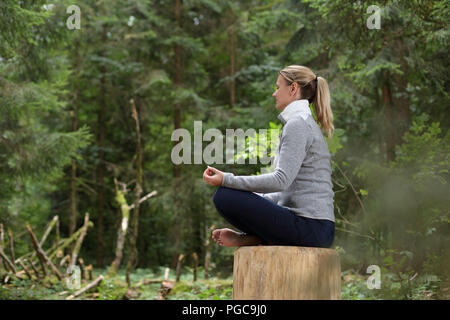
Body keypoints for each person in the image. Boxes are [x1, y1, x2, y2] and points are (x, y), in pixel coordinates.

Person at [202, 65, 335, 248]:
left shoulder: (298, 124)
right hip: (315, 229)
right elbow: (282, 193)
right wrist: (251, 197)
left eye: (277, 87)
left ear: (293, 88)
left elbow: (281, 180)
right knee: (230, 194)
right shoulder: (301, 123)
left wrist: (226, 179)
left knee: (225, 195)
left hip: (312, 228)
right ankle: (253, 238)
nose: (274, 94)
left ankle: (256, 238)